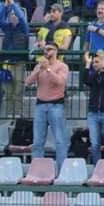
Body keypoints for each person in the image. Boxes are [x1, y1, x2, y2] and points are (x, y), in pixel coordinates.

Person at [25, 42, 70, 172]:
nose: (46, 52)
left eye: (49, 49)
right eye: (45, 49)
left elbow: (60, 82)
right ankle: (37, 171)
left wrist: (49, 70)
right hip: (40, 105)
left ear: (56, 51)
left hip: (56, 105)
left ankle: (62, 170)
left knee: (60, 140)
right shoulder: (39, 66)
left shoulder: (62, 66)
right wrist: (38, 70)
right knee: (38, 141)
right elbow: (28, 82)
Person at [80, 50, 104, 164]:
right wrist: (87, 64)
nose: (94, 64)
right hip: (93, 113)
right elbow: (85, 80)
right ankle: (97, 168)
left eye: (96, 62)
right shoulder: (93, 77)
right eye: (94, 63)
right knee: (95, 143)